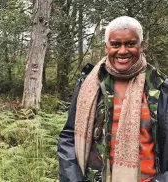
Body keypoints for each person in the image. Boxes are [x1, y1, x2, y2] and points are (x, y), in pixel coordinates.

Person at [57, 16, 168, 182]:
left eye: (130, 44)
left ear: (141, 46)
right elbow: (68, 137)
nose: (122, 51)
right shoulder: (88, 84)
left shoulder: (160, 88)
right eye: (116, 44)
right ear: (106, 47)